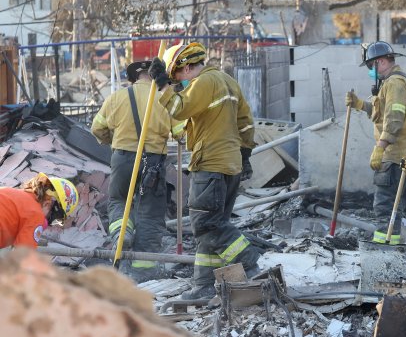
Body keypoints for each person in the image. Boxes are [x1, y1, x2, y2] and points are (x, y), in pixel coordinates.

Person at [149, 42, 260, 300]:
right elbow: (246, 123)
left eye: (177, 77)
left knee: (206, 225)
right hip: (230, 164)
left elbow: (179, 109)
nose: (178, 83)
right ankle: (204, 285)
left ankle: (248, 260)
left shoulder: (204, 83)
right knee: (211, 228)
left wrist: (162, 85)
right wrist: (245, 153)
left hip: (209, 162)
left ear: (187, 69)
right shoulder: (228, 82)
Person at [91, 60, 181, 282]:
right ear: (157, 76)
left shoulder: (117, 97)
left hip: (122, 157)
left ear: (134, 77)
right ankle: (144, 269)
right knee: (149, 211)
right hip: (153, 162)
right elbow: (181, 133)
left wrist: (114, 141)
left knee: (119, 200)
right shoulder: (166, 98)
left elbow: (97, 128)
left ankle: (123, 234)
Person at [345, 41, 406, 244]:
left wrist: (380, 148)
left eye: (370, 65)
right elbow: (382, 113)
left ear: (381, 62)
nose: (369, 71)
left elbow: (394, 119)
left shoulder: (394, 84)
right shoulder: (400, 81)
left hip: (394, 154)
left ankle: (385, 244)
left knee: (385, 202)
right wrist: (361, 105)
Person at [0, 173, 78, 249]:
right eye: (54, 217)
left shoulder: (9, 192)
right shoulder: (36, 214)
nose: (48, 222)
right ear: (47, 204)